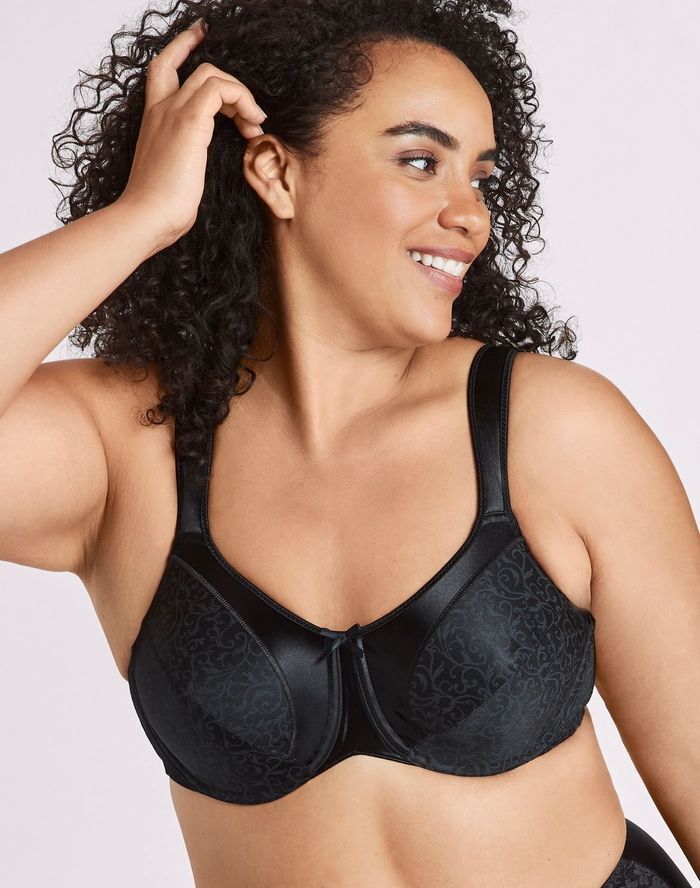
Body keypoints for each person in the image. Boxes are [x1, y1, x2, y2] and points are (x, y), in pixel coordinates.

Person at [0, 1, 698, 886]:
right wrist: (144, 216)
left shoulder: (552, 429)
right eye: (420, 161)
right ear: (276, 173)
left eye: (480, 177)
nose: (470, 215)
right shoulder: (124, 449)